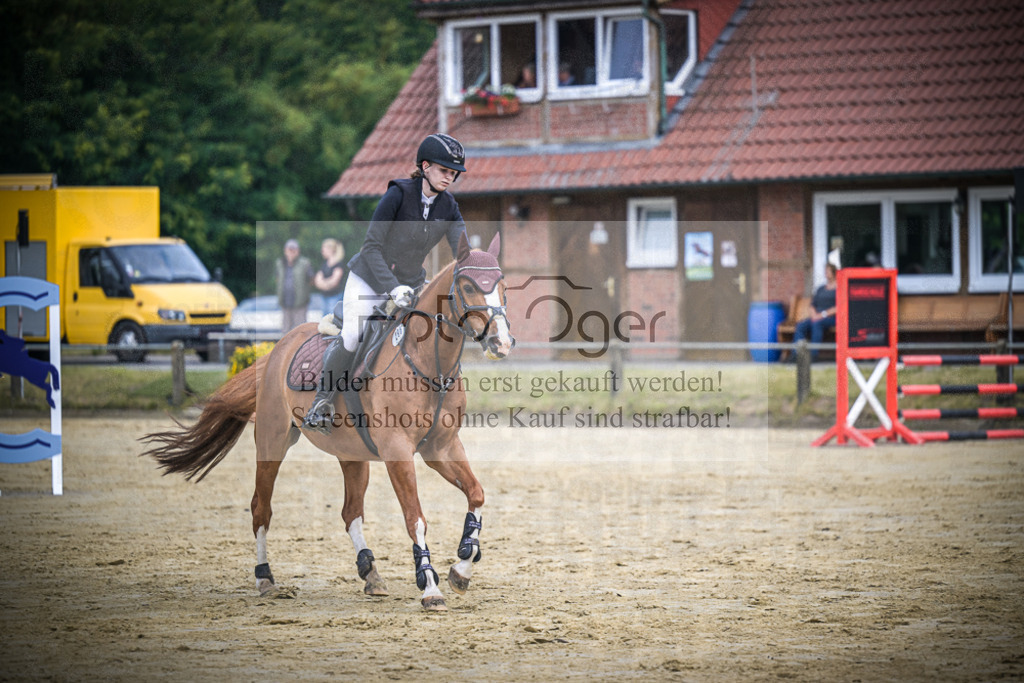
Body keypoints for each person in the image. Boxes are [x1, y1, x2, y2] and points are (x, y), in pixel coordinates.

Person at [302, 133, 469, 434]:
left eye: (454, 173)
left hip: (411, 282)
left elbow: (463, 250)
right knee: (353, 335)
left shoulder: (449, 206)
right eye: (445, 170)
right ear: (426, 166)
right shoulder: (398, 195)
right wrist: (392, 287)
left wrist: (479, 265)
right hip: (369, 278)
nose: (450, 177)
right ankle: (322, 402)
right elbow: (371, 247)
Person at [793, 263, 838, 360]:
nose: (826, 273)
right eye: (825, 271)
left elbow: (839, 307)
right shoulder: (821, 289)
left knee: (817, 324)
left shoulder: (838, 289)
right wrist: (814, 314)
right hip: (817, 316)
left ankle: (813, 355)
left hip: (831, 318)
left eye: (828, 271)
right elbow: (812, 304)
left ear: (834, 272)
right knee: (801, 326)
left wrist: (822, 315)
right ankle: (796, 354)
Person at [275, 239, 313, 334]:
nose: (291, 252)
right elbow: (277, 279)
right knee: (285, 330)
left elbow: (311, 280)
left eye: (294, 249)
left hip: (300, 303)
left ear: (298, 251)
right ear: (285, 250)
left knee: (301, 330)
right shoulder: (280, 263)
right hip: (285, 302)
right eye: (289, 249)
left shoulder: (305, 263)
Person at [313, 237, 345, 316]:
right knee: (325, 319)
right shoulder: (324, 264)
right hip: (324, 297)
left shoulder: (339, 264)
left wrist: (323, 284)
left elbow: (334, 282)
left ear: (331, 249)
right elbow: (317, 280)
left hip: (335, 297)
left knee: (333, 319)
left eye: (324, 248)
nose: (322, 251)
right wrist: (327, 284)